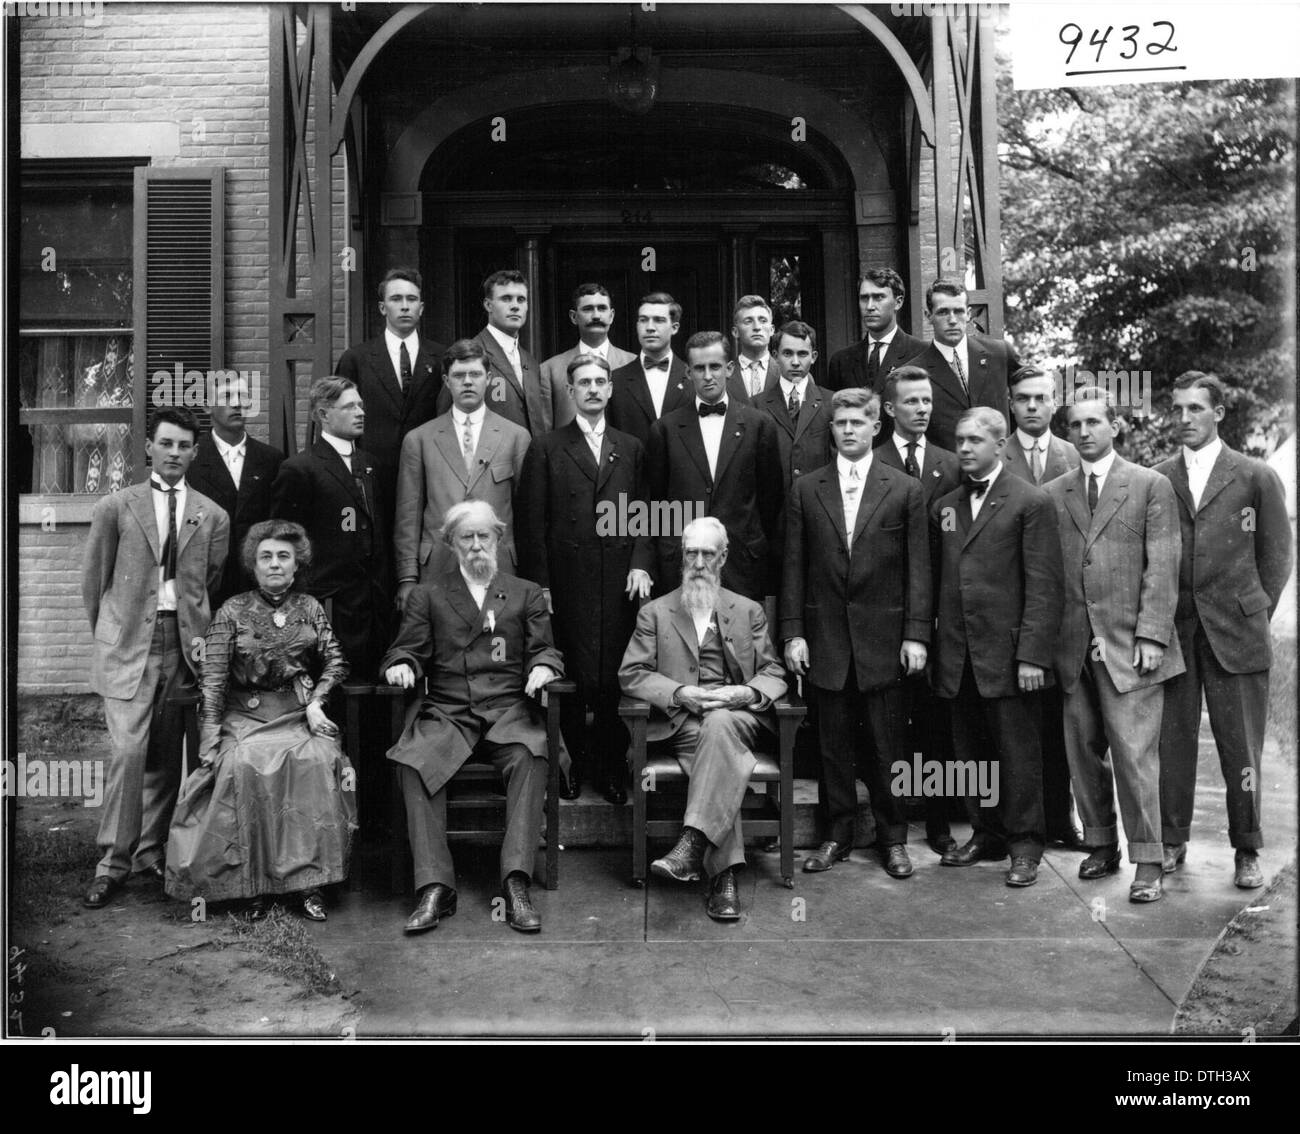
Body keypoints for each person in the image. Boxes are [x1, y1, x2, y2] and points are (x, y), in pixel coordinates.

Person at [382, 501, 565, 935]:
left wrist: (544, 666)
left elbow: (544, 648)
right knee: (412, 761)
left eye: (485, 536)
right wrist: (403, 663)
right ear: (451, 544)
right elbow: (405, 647)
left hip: (508, 710)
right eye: (467, 537)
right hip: (450, 712)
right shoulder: (428, 594)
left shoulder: (526, 592)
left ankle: (515, 881)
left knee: (532, 755)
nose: (477, 545)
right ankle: (435, 886)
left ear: (499, 540)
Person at [165, 521, 356, 921]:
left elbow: (336, 661)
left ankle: (309, 884)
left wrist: (317, 702)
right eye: (265, 557)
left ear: (296, 563)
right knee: (242, 764)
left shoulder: (310, 608)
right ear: (253, 564)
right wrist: (210, 737)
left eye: (283, 557)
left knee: (319, 759)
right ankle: (250, 887)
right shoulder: (232, 610)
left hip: (295, 714)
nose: (274, 564)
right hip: (245, 718)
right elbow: (213, 678)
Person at [80, 408, 230, 909]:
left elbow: (207, 583)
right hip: (129, 646)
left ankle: (151, 851)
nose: (173, 453)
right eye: (165, 443)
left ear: (194, 452)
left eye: (183, 446)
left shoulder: (212, 515)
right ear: (149, 447)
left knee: (167, 757)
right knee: (128, 752)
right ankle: (111, 863)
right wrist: (113, 636)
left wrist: (189, 633)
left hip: (183, 645)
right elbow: (95, 584)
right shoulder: (117, 507)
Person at [781, 387, 930, 878]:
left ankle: (893, 839)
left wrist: (915, 635)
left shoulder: (904, 487)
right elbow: (794, 566)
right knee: (833, 746)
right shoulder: (807, 488)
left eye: (856, 423)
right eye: (840, 424)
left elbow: (918, 569)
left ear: (876, 427)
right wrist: (794, 633)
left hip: (884, 638)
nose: (848, 431)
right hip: (825, 637)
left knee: (889, 746)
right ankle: (835, 835)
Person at [1043, 387, 1184, 903]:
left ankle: (1148, 860)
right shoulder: (1056, 491)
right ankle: (1101, 843)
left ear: (1116, 427)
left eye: (1095, 422)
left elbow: (1163, 566)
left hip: (1131, 645)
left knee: (1133, 753)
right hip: (1073, 647)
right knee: (1083, 751)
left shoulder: (1150, 486)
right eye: (1075, 424)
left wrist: (1152, 636)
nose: (1084, 432)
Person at [1155, 372, 1292, 889]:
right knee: (1173, 742)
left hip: (1237, 632)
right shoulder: (1159, 476)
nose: (1185, 418)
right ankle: (1172, 840)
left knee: (1242, 749)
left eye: (1195, 409)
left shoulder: (1254, 476)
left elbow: (1276, 555)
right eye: (1177, 409)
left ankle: (1247, 848)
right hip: (1176, 632)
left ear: (1219, 413)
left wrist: (1250, 610)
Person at [618, 517, 788, 921]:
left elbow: (774, 672)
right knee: (714, 736)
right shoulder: (656, 613)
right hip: (682, 723)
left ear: (723, 557)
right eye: (690, 553)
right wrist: (679, 693)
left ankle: (692, 845)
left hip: (737, 717)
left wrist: (744, 692)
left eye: (707, 553)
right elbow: (632, 673)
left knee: (721, 725)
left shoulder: (747, 611)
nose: (697, 562)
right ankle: (723, 877)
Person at [930, 407, 1064, 887]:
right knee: (971, 754)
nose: (963, 448)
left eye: (973, 440)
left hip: (1009, 656)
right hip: (957, 654)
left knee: (1018, 753)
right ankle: (985, 833)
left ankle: (1025, 846)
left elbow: (1045, 587)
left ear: (999, 443)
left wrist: (1032, 655)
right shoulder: (944, 505)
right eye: (959, 439)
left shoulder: (1030, 502)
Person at [516, 353, 654, 805]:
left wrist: (640, 562)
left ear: (610, 389)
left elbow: (646, 514)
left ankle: (613, 767)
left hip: (618, 581)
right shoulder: (547, 446)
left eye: (600, 381)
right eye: (583, 383)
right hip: (567, 581)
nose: (593, 389)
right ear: (570, 391)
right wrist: (542, 586)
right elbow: (531, 524)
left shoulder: (631, 447)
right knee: (572, 675)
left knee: (614, 676)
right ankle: (571, 766)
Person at [875, 366, 963, 853]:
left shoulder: (951, 465)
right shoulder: (870, 460)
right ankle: (892, 831)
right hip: (885, 615)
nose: (923, 409)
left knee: (936, 726)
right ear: (889, 409)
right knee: (890, 726)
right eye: (912, 402)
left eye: (927, 401)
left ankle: (938, 827)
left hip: (939, 616)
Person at [1000, 365, 1083, 848]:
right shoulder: (996, 454)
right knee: (1011, 730)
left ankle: (1060, 819)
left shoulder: (1073, 454)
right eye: (1023, 398)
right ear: (1010, 404)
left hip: (1062, 612)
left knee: (1060, 726)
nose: (1032, 406)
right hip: (1010, 610)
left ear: (1055, 403)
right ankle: (1011, 827)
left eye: (1041, 398)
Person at [643, 331, 784, 601]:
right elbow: (657, 504)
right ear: (688, 372)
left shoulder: (759, 425)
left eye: (715, 367)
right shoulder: (665, 429)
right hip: (681, 566)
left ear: (729, 369)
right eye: (699, 368)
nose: (708, 376)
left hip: (741, 564)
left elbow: (770, 501)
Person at [393, 338, 531, 608]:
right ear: (446, 380)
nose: (467, 381)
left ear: (488, 379)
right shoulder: (419, 439)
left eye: (475, 374)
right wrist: (407, 577)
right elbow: (407, 515)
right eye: (459, 375)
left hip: (499, 563)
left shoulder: (516, 437)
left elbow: (527, 516)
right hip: (438, 566)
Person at [270, 377, 391, 680]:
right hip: (330, 609)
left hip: (375, 609)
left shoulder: (370, 465)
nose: (360, 412)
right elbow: (285, 543)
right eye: (349, 406)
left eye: (361, 405)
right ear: (323, 415)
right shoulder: (300, 469)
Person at [336, 267, 446, 532]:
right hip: (372, 478)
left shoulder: (443, 358)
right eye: (396, 299)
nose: (405, 306)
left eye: (411, 299)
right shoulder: (357, 359)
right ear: (382, 307)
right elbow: (338, 422)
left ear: (421, 307)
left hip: (429, 476)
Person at [186, 374, 284, 610]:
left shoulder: (271, 459)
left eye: (243, 396)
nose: (238, 403)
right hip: (207, 587)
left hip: (259, 586)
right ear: (207, 405)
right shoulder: (192, 460)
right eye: (228, 396)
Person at [435, 269, 555, 435]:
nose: (515, 306)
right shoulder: (467, 356)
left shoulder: (530, 362)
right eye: (506, 299)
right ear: (488, 305)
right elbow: (445, 421)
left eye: (521, 299)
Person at [907, 279, 1020, 451]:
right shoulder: (914, 372)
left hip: (999, 467)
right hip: (946, 473)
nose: (952, 320)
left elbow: (1038, 385)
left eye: (958, 311)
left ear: (968, 314)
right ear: (928, 316)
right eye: (943, 312)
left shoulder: (1000, 353)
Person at [748, 320, 835, 490]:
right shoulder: (756, 405)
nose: (795, 362)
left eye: (802, 354)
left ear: (814, 357)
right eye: (787, 353)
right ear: (775, 356)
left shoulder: (830, 402)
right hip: (777, 509)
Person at [540, 282, 637, 429]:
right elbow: (544, 432)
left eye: (602, 308)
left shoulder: (633, 363)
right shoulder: (550, 370)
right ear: (574, 317)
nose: (596, 316)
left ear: (611, 316)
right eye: (588, 309)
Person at [606, 292, 691, 447]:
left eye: (658, 320)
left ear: (674, 327)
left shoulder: (692, 378)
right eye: (643, 320)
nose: (650, 328)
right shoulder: (616, 380)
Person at [826, 268, 923, 395]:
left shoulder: (921, 353)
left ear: (898, 302)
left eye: (879, 297)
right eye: (864, 298)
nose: (870, 306)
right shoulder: (841, 361)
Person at [731, 295, 778, 399]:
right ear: (736, 332)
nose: (757, 327)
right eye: (748, 321)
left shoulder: (788, 373)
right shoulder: (723, 375)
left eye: (763, 320)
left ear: (772, 330)